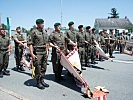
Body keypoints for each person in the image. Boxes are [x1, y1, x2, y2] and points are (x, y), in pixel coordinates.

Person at [28, 19, 49, 89]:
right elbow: (30, 43)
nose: (43, 24)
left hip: (44, 52)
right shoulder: (33, 32)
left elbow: (46, 43)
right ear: (37, 24)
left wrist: (47, 51)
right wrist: (32, 54)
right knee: (38, 68)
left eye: (43, 23)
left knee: (44, 67)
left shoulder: (44, 31)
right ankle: (38, 82)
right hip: (37, 52)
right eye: (41, 23)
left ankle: (42, 80)